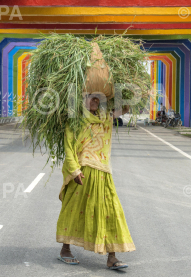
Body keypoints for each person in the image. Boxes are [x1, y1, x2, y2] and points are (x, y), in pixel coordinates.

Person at [56, 94, 135, 270]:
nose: (94, 102)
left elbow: (126, 107)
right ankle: (65, 249)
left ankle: (112, 257)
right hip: (81, 174)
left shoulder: (106, 117)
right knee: (74, 210)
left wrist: (128, 89)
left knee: (110, 211)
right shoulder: (74, 120)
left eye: (97, 99)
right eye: (90, 98)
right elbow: (68, 147)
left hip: (103, 172)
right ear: (81, 99)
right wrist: (74, 170)